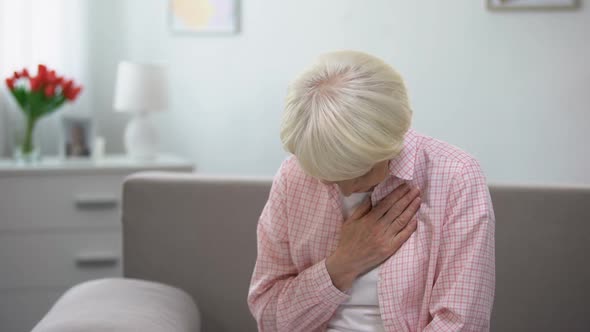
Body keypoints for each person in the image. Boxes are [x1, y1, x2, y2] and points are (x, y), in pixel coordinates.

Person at [247, 51, 495, 332]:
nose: (347, 188)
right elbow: (269, 319)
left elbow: (461, 323)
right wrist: (342, 263)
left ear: (397, 133)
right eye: (328, 176)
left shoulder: (456, 177)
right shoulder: (294, 176)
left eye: (361, 171)